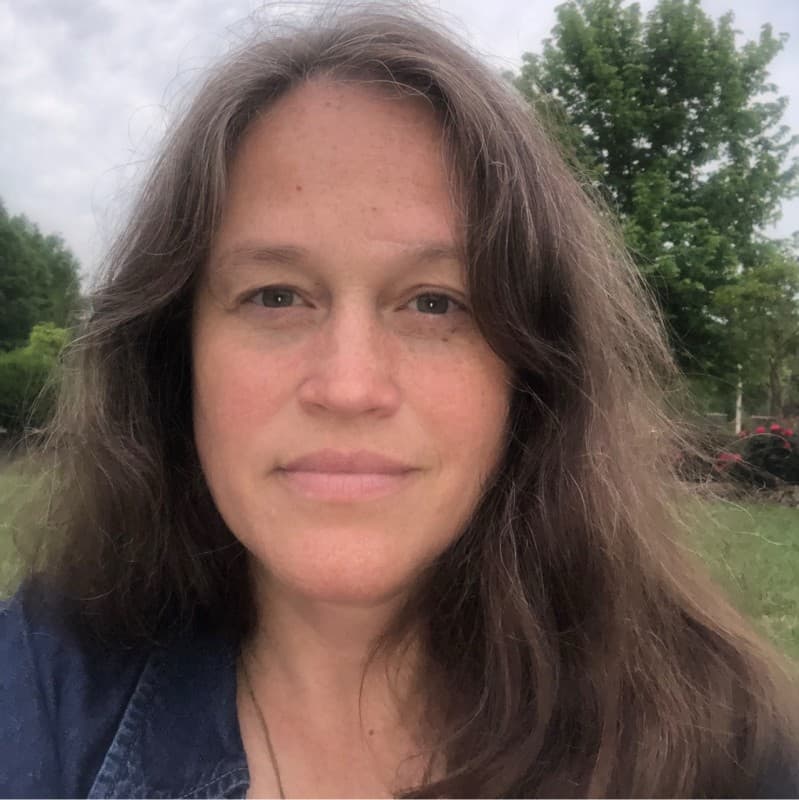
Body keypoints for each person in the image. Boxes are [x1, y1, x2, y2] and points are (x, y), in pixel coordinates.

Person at [2, 5, 798, 798]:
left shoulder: (725, 750)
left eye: (434, 303)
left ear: (534, 372)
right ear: (175, 359)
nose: (349, 388)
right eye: (276, 296)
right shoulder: (39, 693)